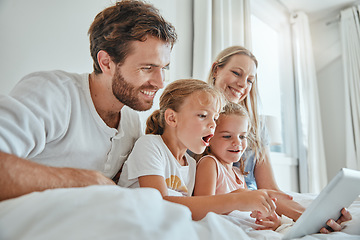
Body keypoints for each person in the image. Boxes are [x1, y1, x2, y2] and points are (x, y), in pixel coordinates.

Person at [0, 0, 177, 201]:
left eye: (164, 68)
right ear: (106, 63)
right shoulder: (52, 92)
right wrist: (90, 181)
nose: (160, 83)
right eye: (147, 68)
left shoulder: (131, 123)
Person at [208, 45, 352, 233]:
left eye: (250, 80)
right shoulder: (197, 120)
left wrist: (312, 216)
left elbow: (269, 189)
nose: (243, 84)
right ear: (215, 70)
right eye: (236, 73)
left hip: (258, 206)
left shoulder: (257, 126)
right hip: (233, 208)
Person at [118, 78, 291, 221]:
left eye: (215, 118)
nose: (212, 125)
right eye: (203, 115)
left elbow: (196, 210)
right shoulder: (150, 145)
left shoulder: (191, 164)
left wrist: (252, 208)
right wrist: (236, 199)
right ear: (172, 118)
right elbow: (159, 203)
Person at [193, 102, 281, 230]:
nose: (237, 142)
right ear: (209, 137)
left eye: (242, 136)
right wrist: (238, 198)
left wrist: (265, 217)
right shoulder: (210, 164)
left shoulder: (238, 173)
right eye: (227, 136)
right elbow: (202, 212)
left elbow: (245, 211)